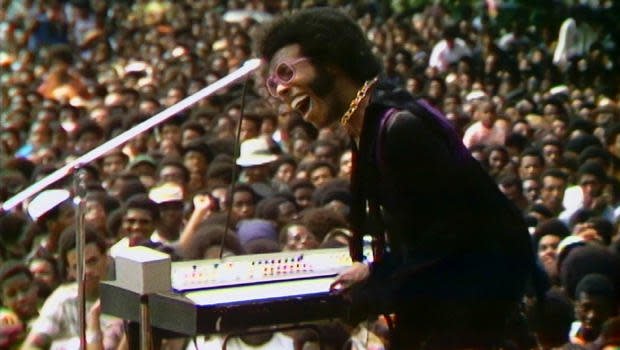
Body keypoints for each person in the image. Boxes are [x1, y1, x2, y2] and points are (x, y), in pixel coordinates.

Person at [257, 8, 535, 349]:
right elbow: (420, 233)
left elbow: (450, 240)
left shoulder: (400, 127)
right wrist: (377, 270)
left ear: (330, 61)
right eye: (273, 84)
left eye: (285, 73)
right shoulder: (368, 122)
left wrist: (378, 290)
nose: (281, 91)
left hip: (471, 315)